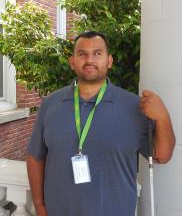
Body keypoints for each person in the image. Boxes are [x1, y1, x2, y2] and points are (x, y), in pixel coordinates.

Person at [27, 31, 175, 216]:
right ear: (72, 62)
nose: (90, 60)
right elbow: (35, 156)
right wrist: (40, 206)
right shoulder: (51, 104)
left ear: (109, 61)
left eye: (97, 53)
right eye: (82, 54)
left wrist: (163, 117)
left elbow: (162, 156)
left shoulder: (134, 106)